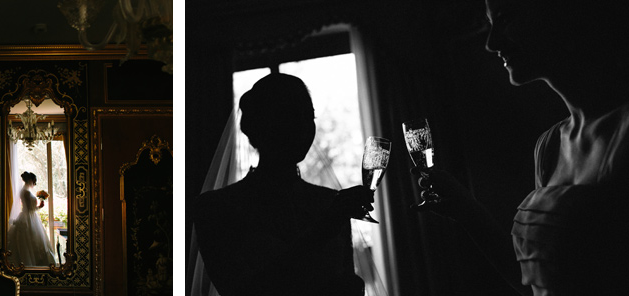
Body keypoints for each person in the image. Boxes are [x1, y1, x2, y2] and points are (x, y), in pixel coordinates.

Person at [417, 1, 629, 295]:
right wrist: (466, 211)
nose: (492, 44)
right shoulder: (549, 146)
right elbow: (537, 281)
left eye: (505, 19)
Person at [193, 73, 374, 295]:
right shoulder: (215, 208)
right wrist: (324, 229)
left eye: (309, 116)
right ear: (259, 127)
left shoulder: (331, 202)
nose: (303, 127)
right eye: (288, 116)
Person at [6, 172, 56, 266]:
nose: (34, 184)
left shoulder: (24, 191)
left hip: (28, 216)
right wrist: (39, 207)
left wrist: (38, 207)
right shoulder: (26, 192)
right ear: (30, 180)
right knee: (31, 240)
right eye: (34, 181)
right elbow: (30, 209)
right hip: (29, 218)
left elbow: (29, 208)